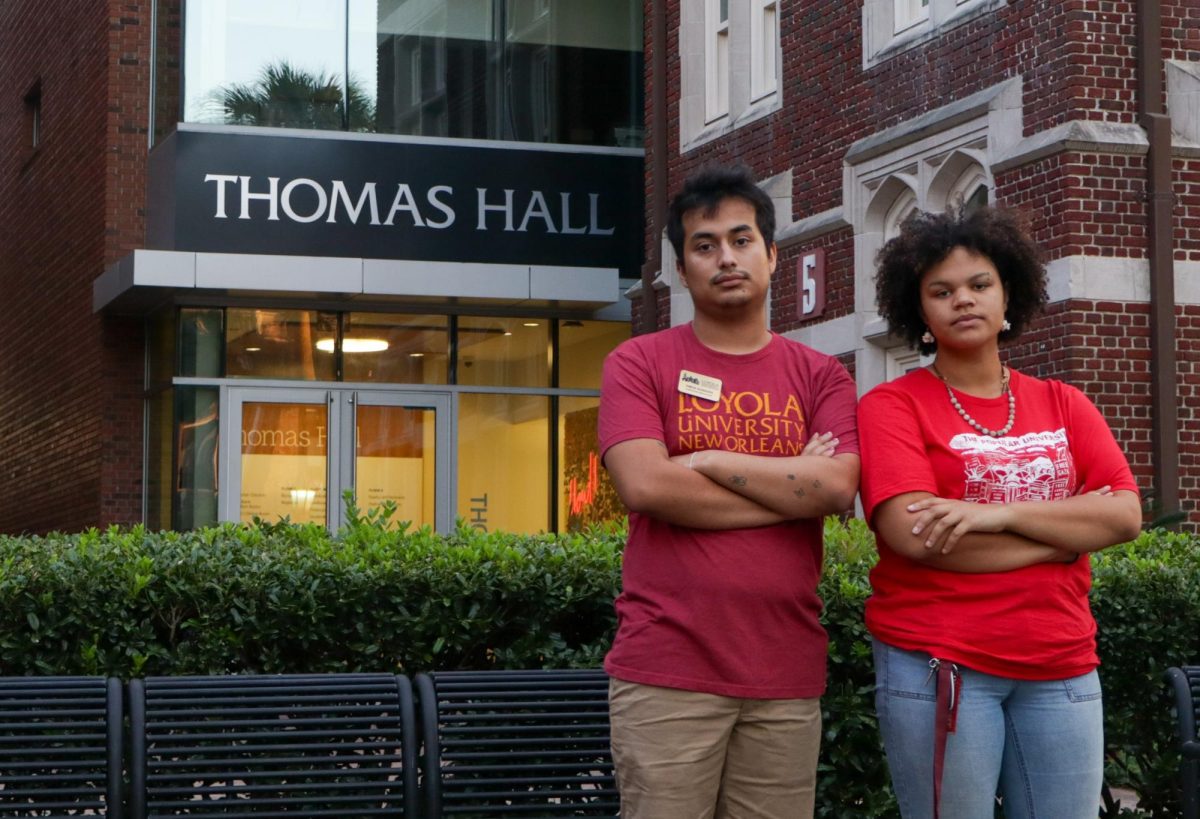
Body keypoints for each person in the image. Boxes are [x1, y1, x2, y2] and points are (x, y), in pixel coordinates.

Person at [857, 205, 1142, 819]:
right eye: (942, 291)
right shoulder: (892, 406)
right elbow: (915, 535)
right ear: (921, 312)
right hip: (942, 664)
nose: (964, 300)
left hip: (1062, 662)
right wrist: (1066, 535)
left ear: (1008, 293)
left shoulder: (1062, 401)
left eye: (980, 284)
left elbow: (1122, 515)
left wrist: (991, 516)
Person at [597, 164, 861, 819]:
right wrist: (785, 483)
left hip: (783, 672)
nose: (726, 257)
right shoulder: (638, 362)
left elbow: (834, 486)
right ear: (682, 270)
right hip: (666, 672)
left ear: (773, 255)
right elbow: (645, 483)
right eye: (705, 244)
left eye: (742, 240)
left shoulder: (820, 375)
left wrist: (706, 460)